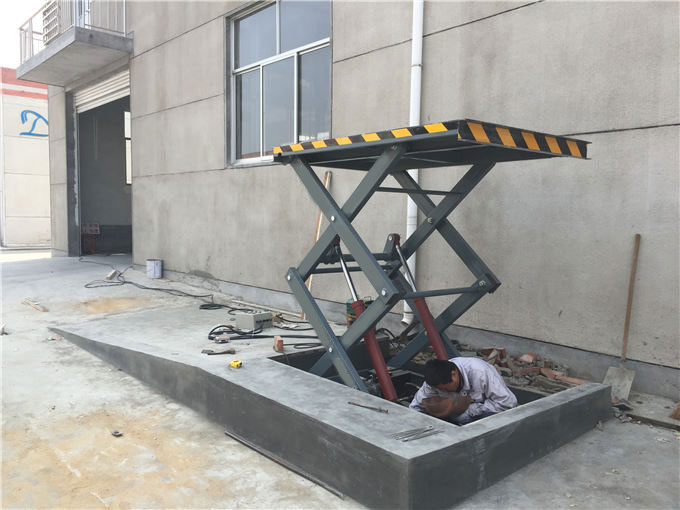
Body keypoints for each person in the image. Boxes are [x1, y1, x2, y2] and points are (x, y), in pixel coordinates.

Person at [409, 357, 518, 424]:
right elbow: (416, 406)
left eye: (445, 389)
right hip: (457, 414)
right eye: (440, 390)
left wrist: (471, 410)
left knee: (492, 421)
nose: (444, 392)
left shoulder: (481, 372)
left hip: (484, 412)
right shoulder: (434, 380)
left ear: (454, 374)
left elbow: (508, 403)